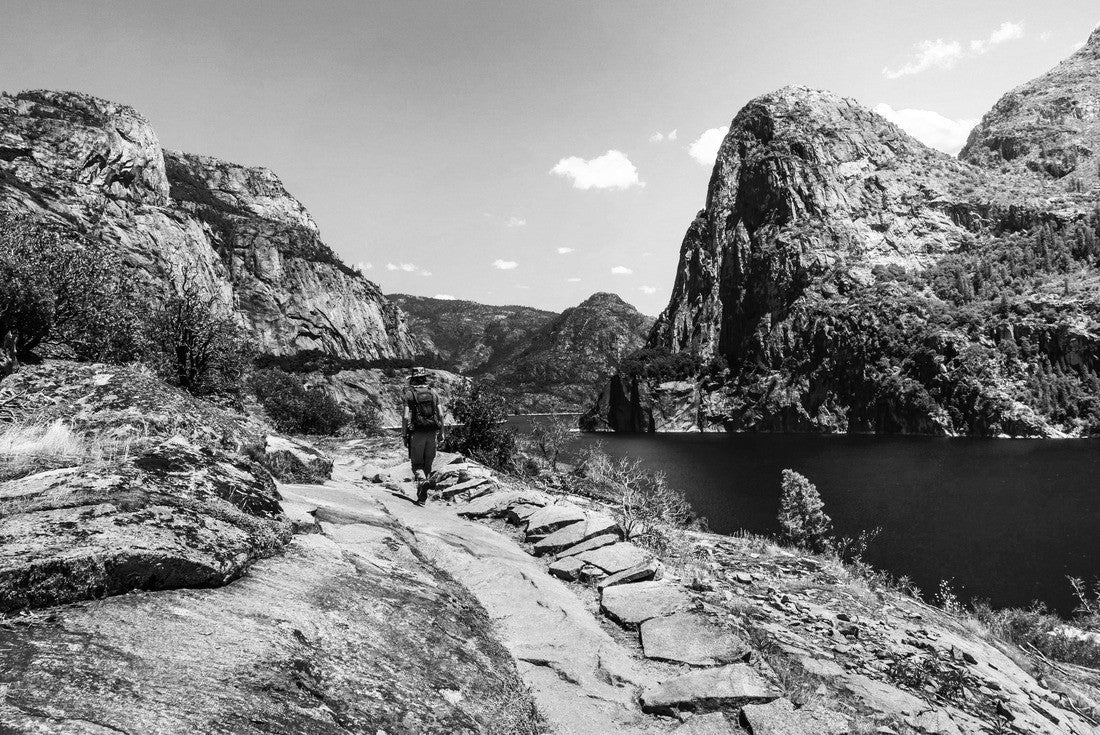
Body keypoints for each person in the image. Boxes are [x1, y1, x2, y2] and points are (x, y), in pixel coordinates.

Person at [402, 368, 445, 505]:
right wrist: (442, 432)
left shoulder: (409, 394)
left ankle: (422, 481)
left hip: (417, 434)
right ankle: (422, 496)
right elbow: (440, 414)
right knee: (428, 464)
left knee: (416, 465)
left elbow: (405, 417)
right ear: (425, 378)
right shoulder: (433, 393)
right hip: (432, 433)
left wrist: (404, 435)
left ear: (413, 380)